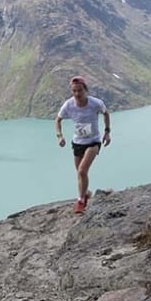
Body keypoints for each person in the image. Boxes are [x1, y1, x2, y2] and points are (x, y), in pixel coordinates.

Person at [55, 75, 111, 214]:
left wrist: (107, 132)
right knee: (80, 174)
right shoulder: (69, 104)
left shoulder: (95, 103)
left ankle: (81, 201)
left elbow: (106, 113)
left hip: (93, 142)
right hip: (77, 142)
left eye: (79, 90)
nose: (77, 94)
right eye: (74, 91)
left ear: (85, 89)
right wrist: (60, 136)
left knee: (82, 171)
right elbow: (58, 120)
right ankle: (86, 193)